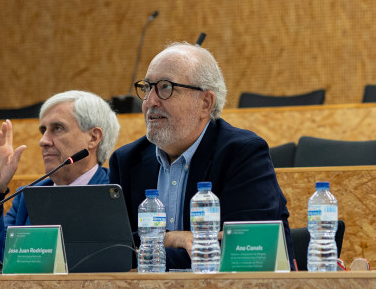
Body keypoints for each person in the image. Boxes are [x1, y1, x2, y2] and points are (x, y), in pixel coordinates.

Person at [108, 41, 289, 269]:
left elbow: (247, 251)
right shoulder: (127, 160)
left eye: (165, 87)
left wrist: (146, 252)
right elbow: (108, 248)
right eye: (147, 88)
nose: (149, 102)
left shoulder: (242, 154)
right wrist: (173, 238)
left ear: (205, 103)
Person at [0, 90, 121, 260]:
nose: (43, 141)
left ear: (93, 137)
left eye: (57, 128)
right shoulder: (27, 197)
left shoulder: (117, 192)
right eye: (43, 130)